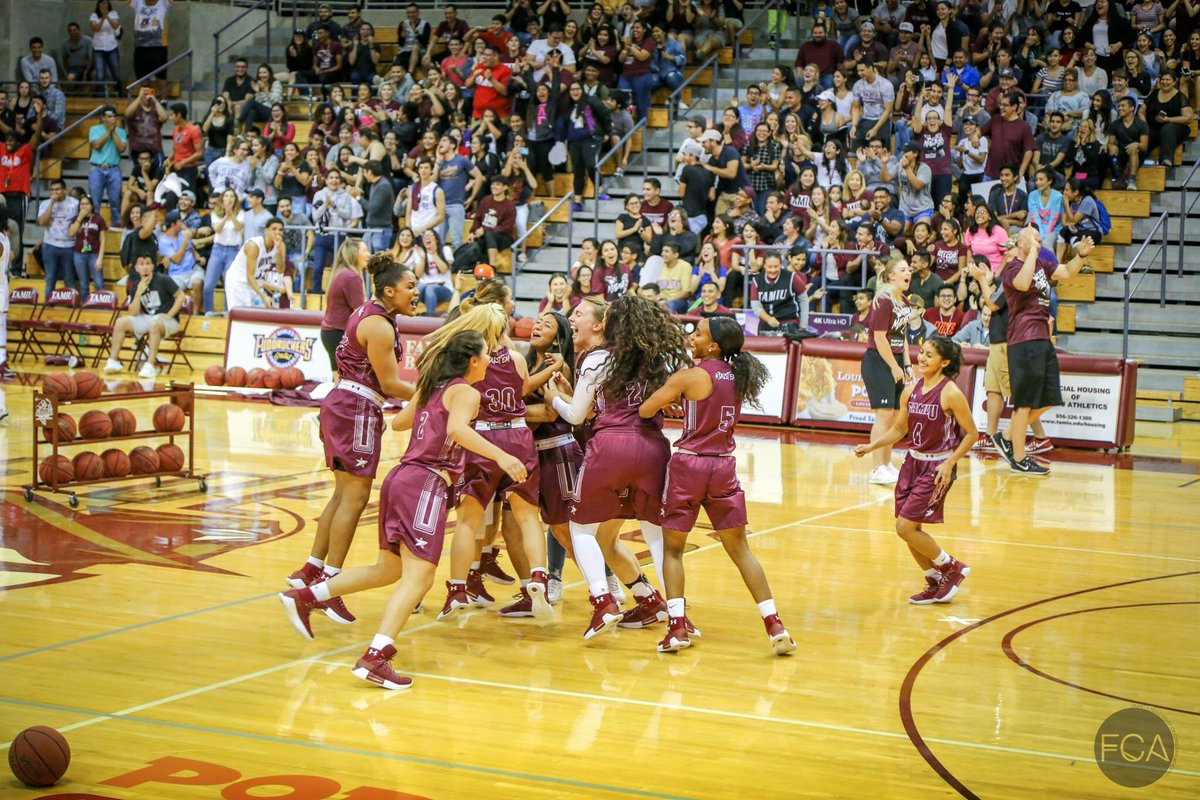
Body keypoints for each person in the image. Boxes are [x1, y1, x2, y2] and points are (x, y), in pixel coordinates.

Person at [280, 328, 526, 690]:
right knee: (420, 578)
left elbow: (399, 422)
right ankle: (376, 656)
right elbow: (457, 429)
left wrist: (432, 416)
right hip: (426, 482)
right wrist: (503, 456)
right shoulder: (467, 392)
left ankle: (307, 595)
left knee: (388, 569)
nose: (492, 358)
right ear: (473, 360)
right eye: (487, 353)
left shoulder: (431, 388)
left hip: (400, 478)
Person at [639, 317, 797, 654]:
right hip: (724, 465)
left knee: (673, 550)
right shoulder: (738, 376)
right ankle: (775, 624)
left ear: (713, 346)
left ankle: (677, 627)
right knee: (740, 549)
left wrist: (672, 398)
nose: (691, 337)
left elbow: (645, 408)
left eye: (698, 334)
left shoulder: (689, 375)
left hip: (690, 463)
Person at [283, 254, 420, 631]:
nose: (416, 292)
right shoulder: (379, 325)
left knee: (343, 495)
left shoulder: (370, 311)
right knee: (356, 497)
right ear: (390, 291)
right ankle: (330, 582)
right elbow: (391, 384)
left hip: (345, 403)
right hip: (357, 408)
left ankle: (310, 569)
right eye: (410, 286)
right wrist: (429, 394)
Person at [544, 296, 693, 639]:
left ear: (602, 324)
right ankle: (669, 609)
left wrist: (553, 397)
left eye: (578, 313)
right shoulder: (649, 356)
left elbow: (578, 416)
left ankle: (602, 601)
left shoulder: (596, 358)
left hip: (612, 446)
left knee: (580, 528)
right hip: (653, 447)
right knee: (651, 535)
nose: (572, 318)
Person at [435, 295, 560, 622]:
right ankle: (538, 577)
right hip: (518, 436)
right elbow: (519, 393)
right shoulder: (517, 358)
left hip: (483, 440)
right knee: (528, 518)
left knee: (468, 521)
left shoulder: (470, 360)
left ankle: (458, 588)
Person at [854, 336, 977, 603]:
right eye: (921, 352)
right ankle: (934, 580)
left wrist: (950, 462)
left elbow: (971, 434)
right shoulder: (910, 389)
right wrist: (872, 446)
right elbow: (899, 429)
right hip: (912, 462)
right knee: (909, 528)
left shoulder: (951, 393)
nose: (921, 358)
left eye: (929, 355)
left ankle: (951, 567)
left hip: (937, 466)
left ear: (944, 362)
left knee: (905, 528)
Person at [993, 228, 1094, 474]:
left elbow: (1068, 271)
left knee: (1050, 397)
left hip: (1042, 338)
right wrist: (1030, 254)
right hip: (1024, 340)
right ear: (1020, 242)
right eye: (1034, 239)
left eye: (1040, 239)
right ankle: (1018, 457)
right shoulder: (1012, 268)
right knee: (1024, 403)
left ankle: (1007, 435)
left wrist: (1080, 255)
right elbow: (1023, 283)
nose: (1040, 242)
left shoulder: (1041, 264)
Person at [861, 259, 914, 485]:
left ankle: (886, 463)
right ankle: (876, 468)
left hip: (895, 361)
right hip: (878, 361)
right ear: (891, 275)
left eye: (909, 270)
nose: (908, 273)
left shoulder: (903, 301)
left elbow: (902, 337)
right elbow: (880, 337)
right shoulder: (883, 299)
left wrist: (907, 365)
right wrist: (893, 366)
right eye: (903, 270)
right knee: (883, 415)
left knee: (894, 416)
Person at [103, 253, 184, 375]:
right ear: (136, 268)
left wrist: (169, 315)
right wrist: (138, 293)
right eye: (141, 264)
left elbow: (181, 296)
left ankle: (150, 365)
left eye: (147, 264)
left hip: (168, 320)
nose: (145, 267)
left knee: (154, 324)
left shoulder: (163, 279)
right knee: (121, 322)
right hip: (149, 318)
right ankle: (113, 361)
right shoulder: (136, 285)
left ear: (152, 267)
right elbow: (133, 313)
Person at [320, 238, 367, 373]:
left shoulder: (342, 272)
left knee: (339, 380)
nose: (368, 254)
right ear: (354, 253)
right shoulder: (351, 276)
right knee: (348, 381)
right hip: (339, 333)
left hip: (330, 333)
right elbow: (360, 310)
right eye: (364, 250)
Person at [223, 216, 287, 309]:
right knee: (241, 316)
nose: (278, 232)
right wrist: (263, 296)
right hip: (238, 281)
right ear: (266, 231)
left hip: (255, 282)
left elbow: (280, 270)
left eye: (280, 230)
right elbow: (249, 276)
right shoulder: (254, 246)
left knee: (259, 314)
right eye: (274, 229)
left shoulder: (280, 246)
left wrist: (278, 251)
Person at [37, 180, 80, 299]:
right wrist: (51, 204)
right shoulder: (45, 204)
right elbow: (42, 222)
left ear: (64, 190)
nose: (54, 192)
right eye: (52, 190)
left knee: (69, 278)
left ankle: (71, 304)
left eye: (57, 189)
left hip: (69, 245)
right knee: (50, 278)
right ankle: (48, 305)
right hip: (50, 245)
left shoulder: (75, 204)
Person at [87, 105, 127, 227]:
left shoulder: (121, 131)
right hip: (96, 169)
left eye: (114, 117)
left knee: (115, 202)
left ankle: (116, 227)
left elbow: (121, 148)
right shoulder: (94, 129)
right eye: (109, 117)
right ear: (103, 118)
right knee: (95, 203)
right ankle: (95, 228)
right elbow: (97, 145)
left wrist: (113, 131)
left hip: (114, 169)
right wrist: (109, 131)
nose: (112, 119)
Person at [69, 194, 107, 296]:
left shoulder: (98, 219)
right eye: (82, 204)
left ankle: (102, 306)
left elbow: (103, 240)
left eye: (86, 204)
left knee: (99, 282)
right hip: (79, 254)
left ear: (92, 206)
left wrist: (100, 258)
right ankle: (85, 307)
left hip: (94, 254)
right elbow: (71, 233)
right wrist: (80, 218)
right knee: (83, 284)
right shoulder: (75, 219)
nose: (84, 206)